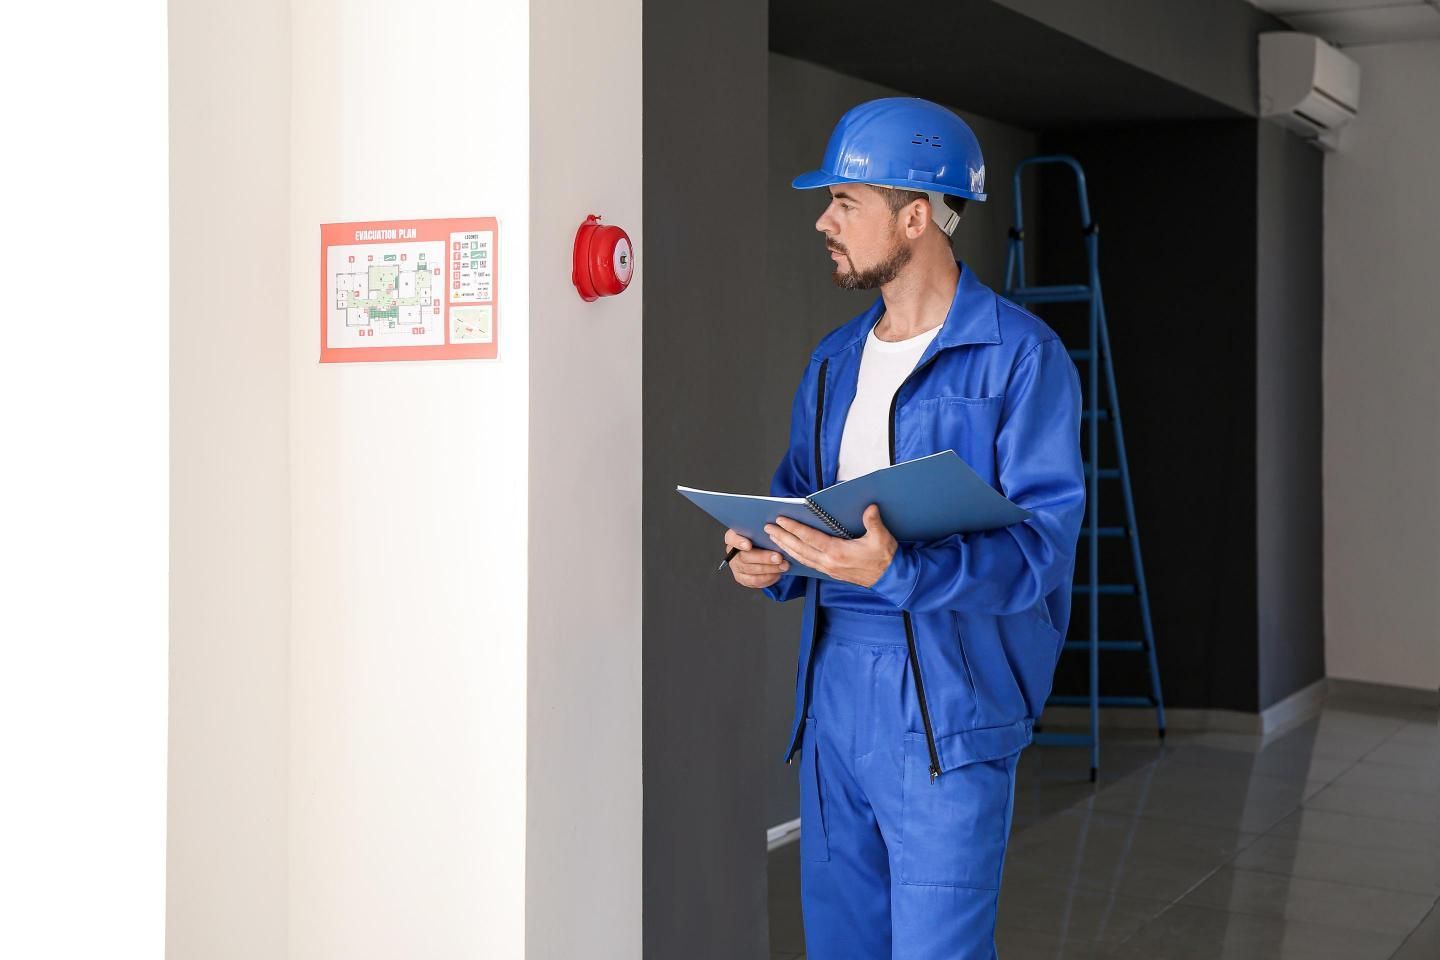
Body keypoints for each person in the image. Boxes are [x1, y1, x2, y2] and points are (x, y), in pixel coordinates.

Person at [724, 97, 1085, 959]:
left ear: (915, 216)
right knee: (841, 945)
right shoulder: (832, 360)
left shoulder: (1021, 357)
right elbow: (801, 503)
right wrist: (773, 554)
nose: (823, 221)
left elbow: (1040, 547)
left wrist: (900, 573)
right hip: (834, 695)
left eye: (845, 202)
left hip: (947, 705)